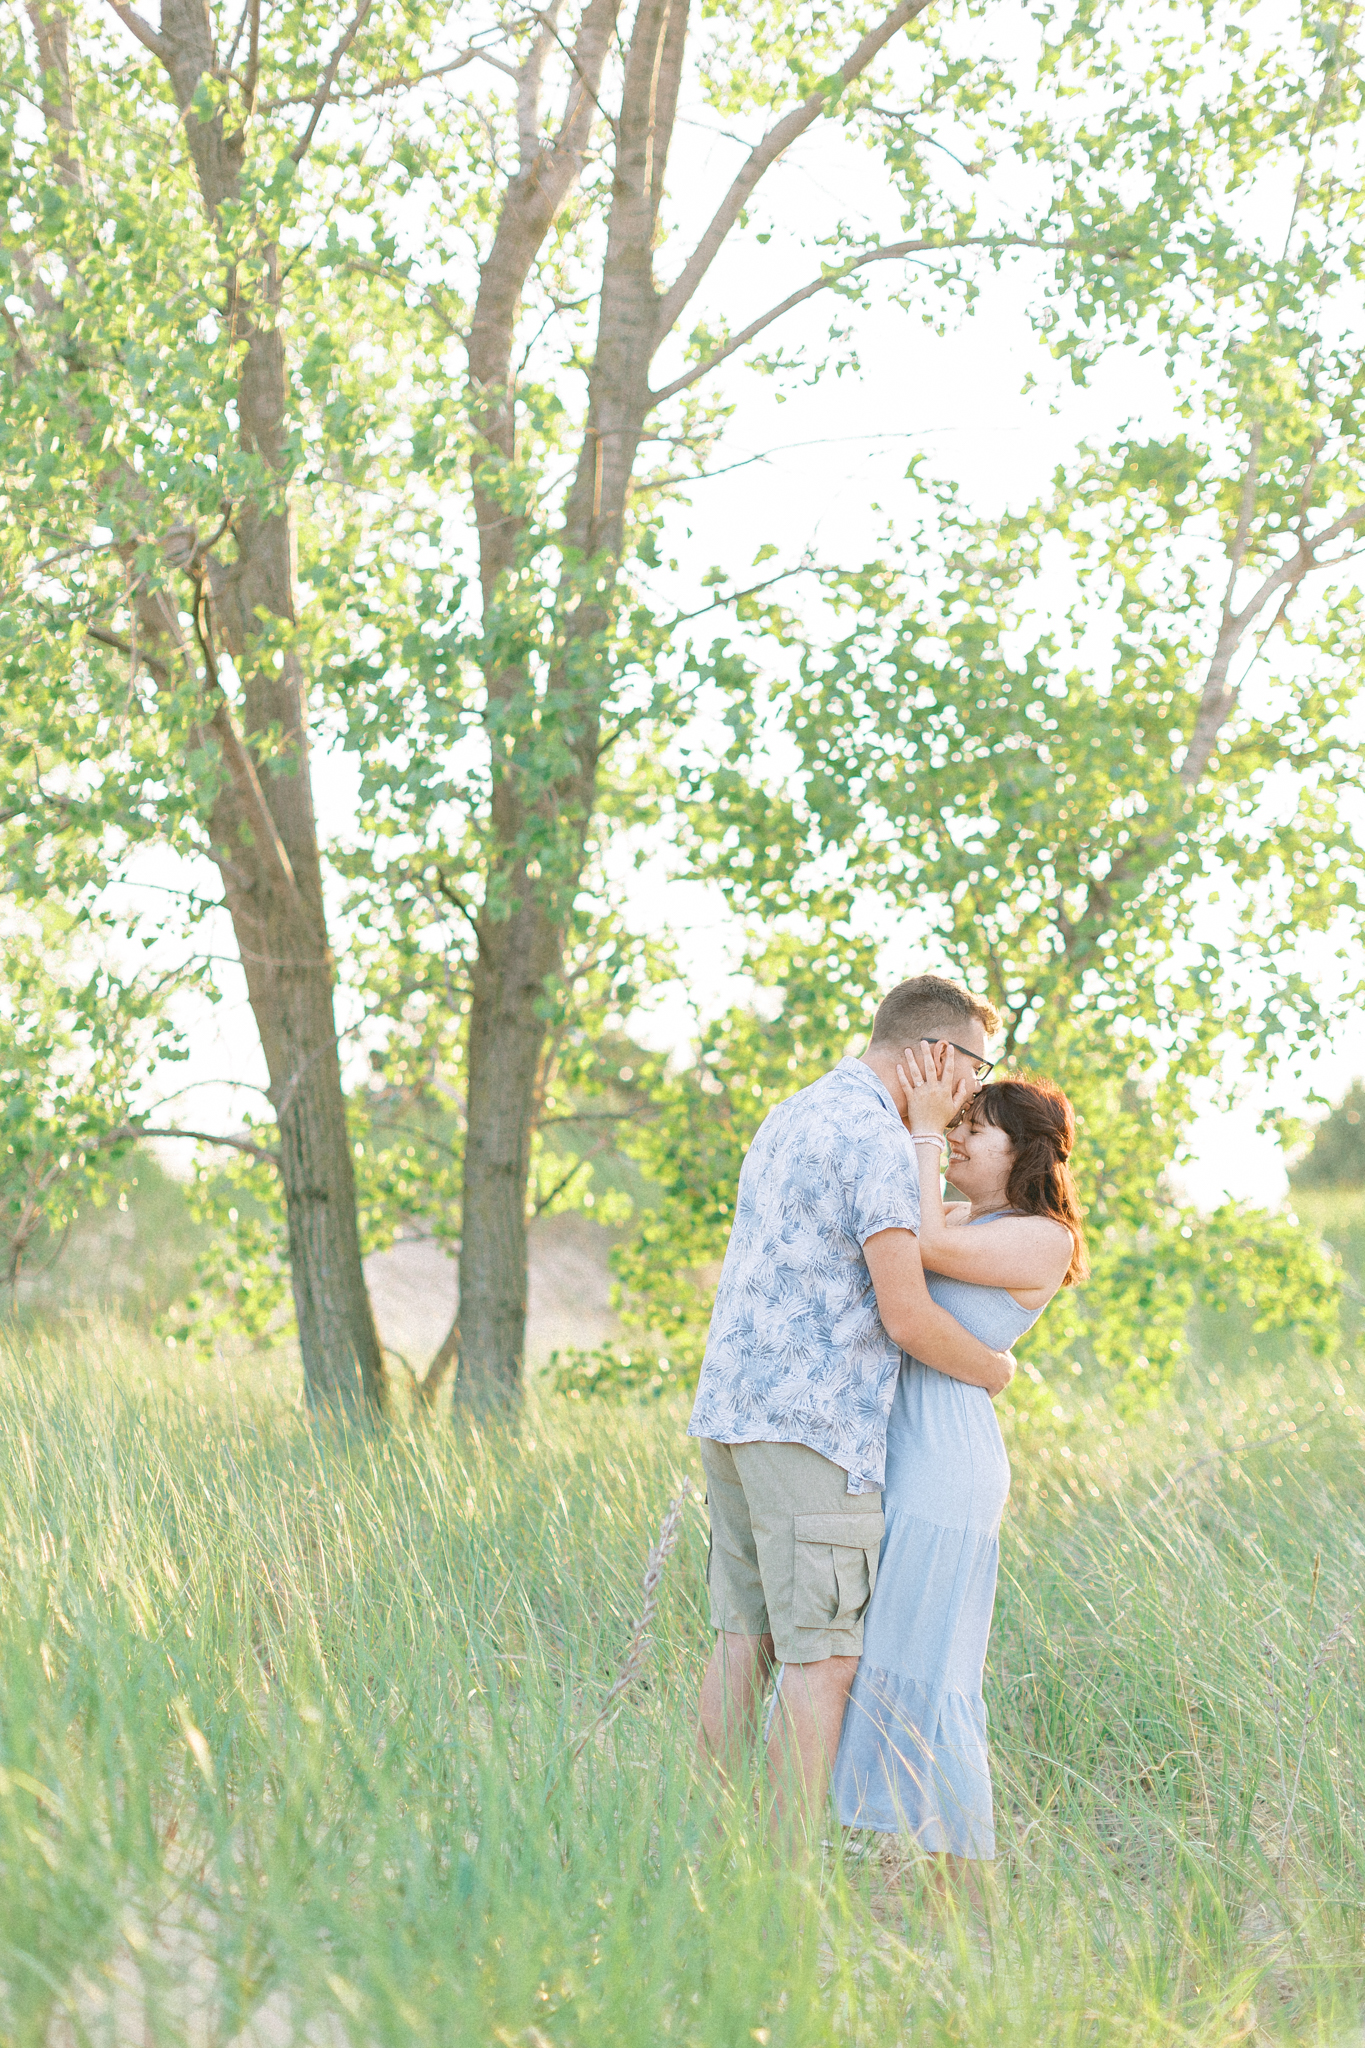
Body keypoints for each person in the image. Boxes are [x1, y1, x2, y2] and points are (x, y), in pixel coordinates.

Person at [688, 973, 1016, 1833]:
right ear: (937, 1057)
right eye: (976, 1074)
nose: (973, 1097)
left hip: (732, 1415)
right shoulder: (876, 1140)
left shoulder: (794, 1111)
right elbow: (905, 1315)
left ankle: (708, 1858)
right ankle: (785, 1891)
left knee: (742, 1643)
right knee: (823, 1662)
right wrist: (992, 1370)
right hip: (813, 1433)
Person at [831, 1050, 1088, 1883]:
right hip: (900, 1446)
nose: (958, 1142)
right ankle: (873, 1850)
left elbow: (920, 1239)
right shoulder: (966, 1218)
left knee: (927, 1656)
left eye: (974, 1132)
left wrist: (921, 1127)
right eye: (958, 1130)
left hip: (947, 1459)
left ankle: (958, 1884)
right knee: (872, 1647)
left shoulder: (1042, 1239)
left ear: (1025, 1151)